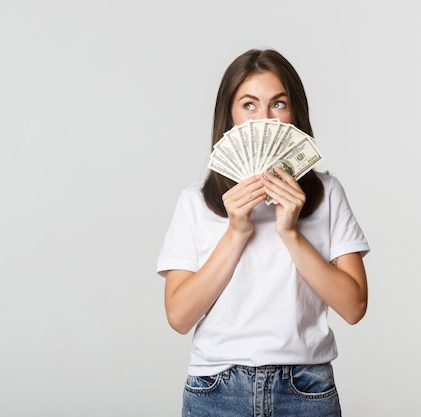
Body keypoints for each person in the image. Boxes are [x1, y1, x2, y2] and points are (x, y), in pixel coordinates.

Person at [157, 48, 370, 417]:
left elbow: (354, 308)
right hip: (216, 388)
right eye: (249, 105)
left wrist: (291, 232)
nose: (264, 119)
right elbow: (178, 316)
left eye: (278, 103)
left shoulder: (327, 194)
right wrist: (237, 230)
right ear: (230, 115)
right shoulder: (195, 201)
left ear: (295, 113)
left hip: (306, 388)